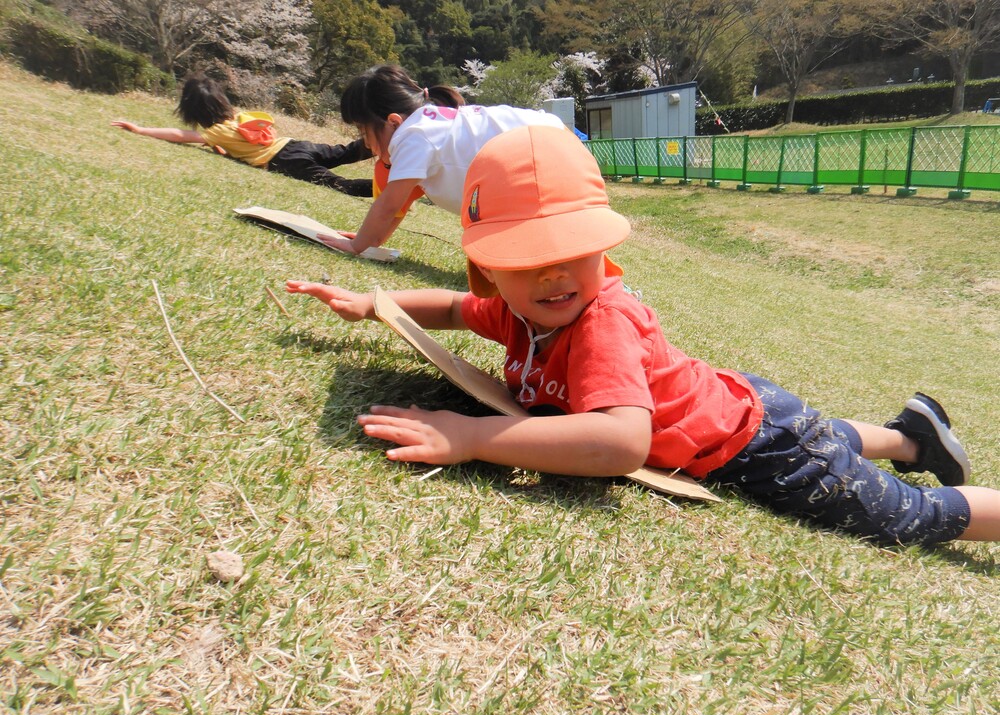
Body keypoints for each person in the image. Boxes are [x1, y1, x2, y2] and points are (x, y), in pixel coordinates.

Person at [286, 125, 1000, 546]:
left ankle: (929, 465)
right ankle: (910, 437)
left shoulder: (600, 325)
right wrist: (380, 301)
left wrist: (472, 439)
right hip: (739, 408)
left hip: (756, 448)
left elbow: (621, 443)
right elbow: (446, 307)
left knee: (908, 517)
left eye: (576, 250)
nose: (556, 275)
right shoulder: (514, 312)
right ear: (487, 270)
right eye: (527, 262)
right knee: (818, 433)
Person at [318, 64, 565, 256]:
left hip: (543, 152)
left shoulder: (414, 135)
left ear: (393, 122)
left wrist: (357, 245)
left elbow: (389, 205)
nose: (366, 144)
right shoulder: (429, 122)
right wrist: (370, 239)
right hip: (554, 141)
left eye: (364, 132)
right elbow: (395, 209)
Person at [111, 73, 373, 197]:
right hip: (295, 145)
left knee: (340, 185)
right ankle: (384, 141)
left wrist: (140, 129)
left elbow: (179, 135)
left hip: (286, 161)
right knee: (346, 151)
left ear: (193, 110)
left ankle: (388, 190)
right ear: (221, 100)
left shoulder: (214, 132)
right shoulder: (239, 115)